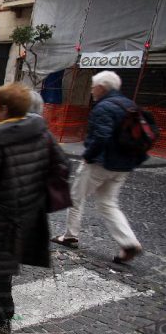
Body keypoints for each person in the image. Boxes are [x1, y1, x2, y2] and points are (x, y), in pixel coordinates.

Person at [0, 83, 68, 334]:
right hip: (29, 211)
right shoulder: (42, 132)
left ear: (5, 109)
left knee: (0, 266)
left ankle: (3, 319)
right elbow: (62, 165)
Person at [51, 70, 145, 263]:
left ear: (101, 88)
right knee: (108, 203)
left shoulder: (104, 107)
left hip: (100, 163)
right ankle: (129, 242)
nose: (92, 91)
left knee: (76, 197)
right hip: (124, 165)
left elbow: (101, 136)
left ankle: (70, 236)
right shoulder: (130, 105)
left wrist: (88, 156)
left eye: (93, 87)